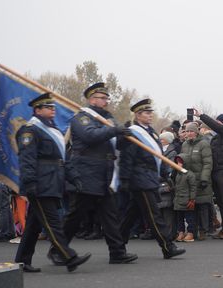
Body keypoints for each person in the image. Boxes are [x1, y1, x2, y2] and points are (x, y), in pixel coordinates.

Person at [52, 82, 136, 265]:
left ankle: (117, 252)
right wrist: (114, 129)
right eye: (102, 98)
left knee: (110, 215)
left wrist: (126, 137)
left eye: (107, 98)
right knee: (76, 215)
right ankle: (57, 250)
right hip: (86, 172)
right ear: (92, 99)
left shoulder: (109, 118)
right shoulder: (82, 118)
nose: (106, 101)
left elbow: (116, 144)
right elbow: (90, 136)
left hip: (104, 173)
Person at [14, 93, 91, 272]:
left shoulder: (53, 130)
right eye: (48, 107)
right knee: (52, 222)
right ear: (37, 110)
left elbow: (63, 159)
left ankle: (22, 261)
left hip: (52, 183)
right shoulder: (30, 130)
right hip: (40, 184)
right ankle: (69, 257)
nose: (53, 110)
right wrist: (30, 183)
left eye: (53, 107)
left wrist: (75, 178)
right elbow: (27, 159)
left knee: (34, 224)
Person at [119, 99, 185, 259]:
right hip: (139, 179)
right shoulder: (133, 132)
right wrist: (125, 179)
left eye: (150, 113)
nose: (150, 115)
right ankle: (167, 246)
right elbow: (127, 157)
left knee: (130, 215)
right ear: (138, 115)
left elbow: (158, 156)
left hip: (149, 177)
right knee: (153, 214)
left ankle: (117, 244)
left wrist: (164, 175)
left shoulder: (152, 132)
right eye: (147, 113)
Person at [195, 111, 223, 240]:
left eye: (218, 122)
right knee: (220, 201)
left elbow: (218, 127)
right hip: (216, 170)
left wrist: (202, 116)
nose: (217, 125)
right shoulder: (217, 137)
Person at [178, 122, 213, 241]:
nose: (188, 133)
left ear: (196, 132)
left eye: (191, 131)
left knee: (202, 206)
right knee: (192, 207)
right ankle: (193, 230)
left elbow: (207, 163)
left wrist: (204, 179)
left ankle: (204, 230)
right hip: (189, 181)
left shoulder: (204, 144)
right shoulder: (184, 145)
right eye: (187, 131)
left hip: (201, 180)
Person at [172, 155, 197, 242]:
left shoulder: (190, 175)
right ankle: (181, 232)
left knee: (189, 218)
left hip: (187, 200)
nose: (178, 164)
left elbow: (193, 188)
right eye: (177, 162)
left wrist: (192, 199)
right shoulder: (178, 174)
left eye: (180, 162)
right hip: (178, 200)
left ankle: (190, 233)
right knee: (179, 218)